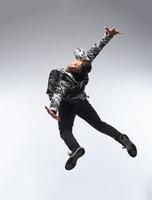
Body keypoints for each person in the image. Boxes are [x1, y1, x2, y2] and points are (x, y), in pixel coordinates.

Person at [45, 27, 137, 170]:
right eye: (75, 63)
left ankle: (75, 149)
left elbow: (58, 93)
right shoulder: (85, 63)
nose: (72, 65)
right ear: (81, 60)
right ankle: (121, 138)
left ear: (79, 71)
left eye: (74, 67)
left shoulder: (66, 80)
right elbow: (96, 49)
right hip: (82, 102)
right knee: (99, 124)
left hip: (67, 106)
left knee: (65, 130)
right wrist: (108, 36)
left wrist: (53, 108)